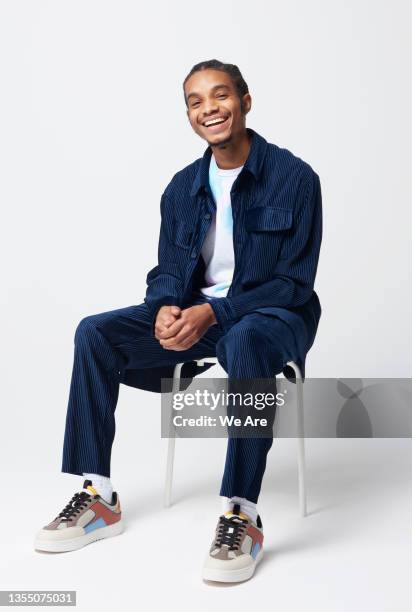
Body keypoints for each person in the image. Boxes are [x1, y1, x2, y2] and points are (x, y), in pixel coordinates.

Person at [34, 59, 322, 583]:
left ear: (245, 101)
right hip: (200, 314)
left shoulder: (295, 178)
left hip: (275, 315)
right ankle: (98, 495)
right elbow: (169, 268)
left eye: (221, 96)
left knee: (247, 341)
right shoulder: (182, 187)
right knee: (94, 333)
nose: (209, 108)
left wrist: (218, 309)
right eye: (195, 101)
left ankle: (242, 513)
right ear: (189, 113)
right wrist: (166, 304)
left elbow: (294, 282)